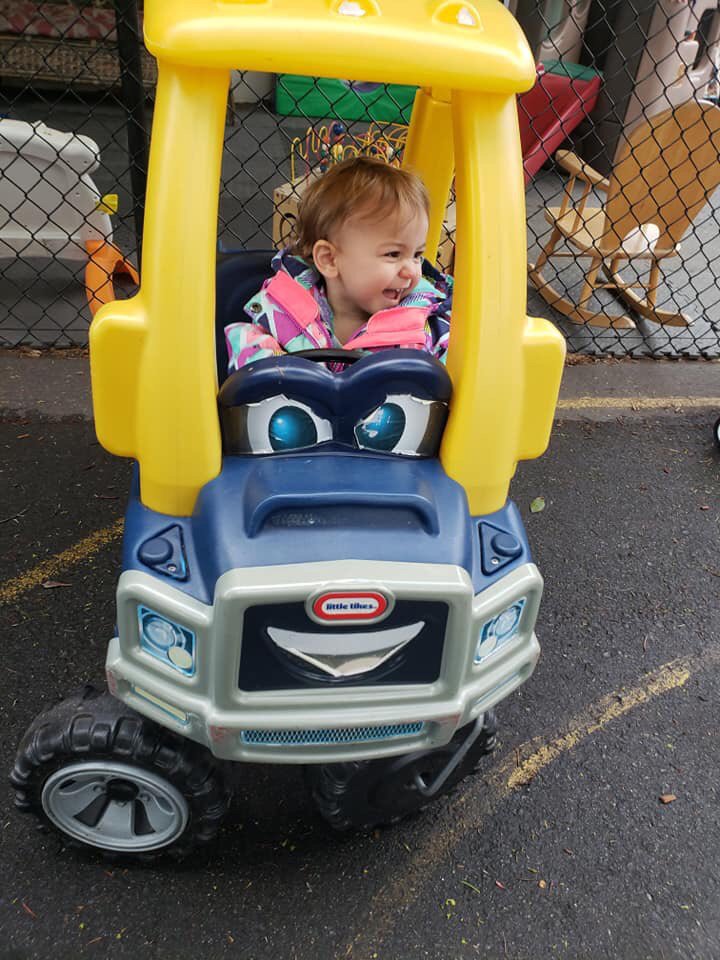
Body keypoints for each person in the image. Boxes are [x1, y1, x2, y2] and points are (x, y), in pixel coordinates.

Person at [224, 156, 453, 372]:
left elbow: (455, 375)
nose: (412, 270)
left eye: (417, 254)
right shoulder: (284, 310)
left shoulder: (425, 326)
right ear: (329, 259)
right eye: (393, 254)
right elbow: (249, 358)